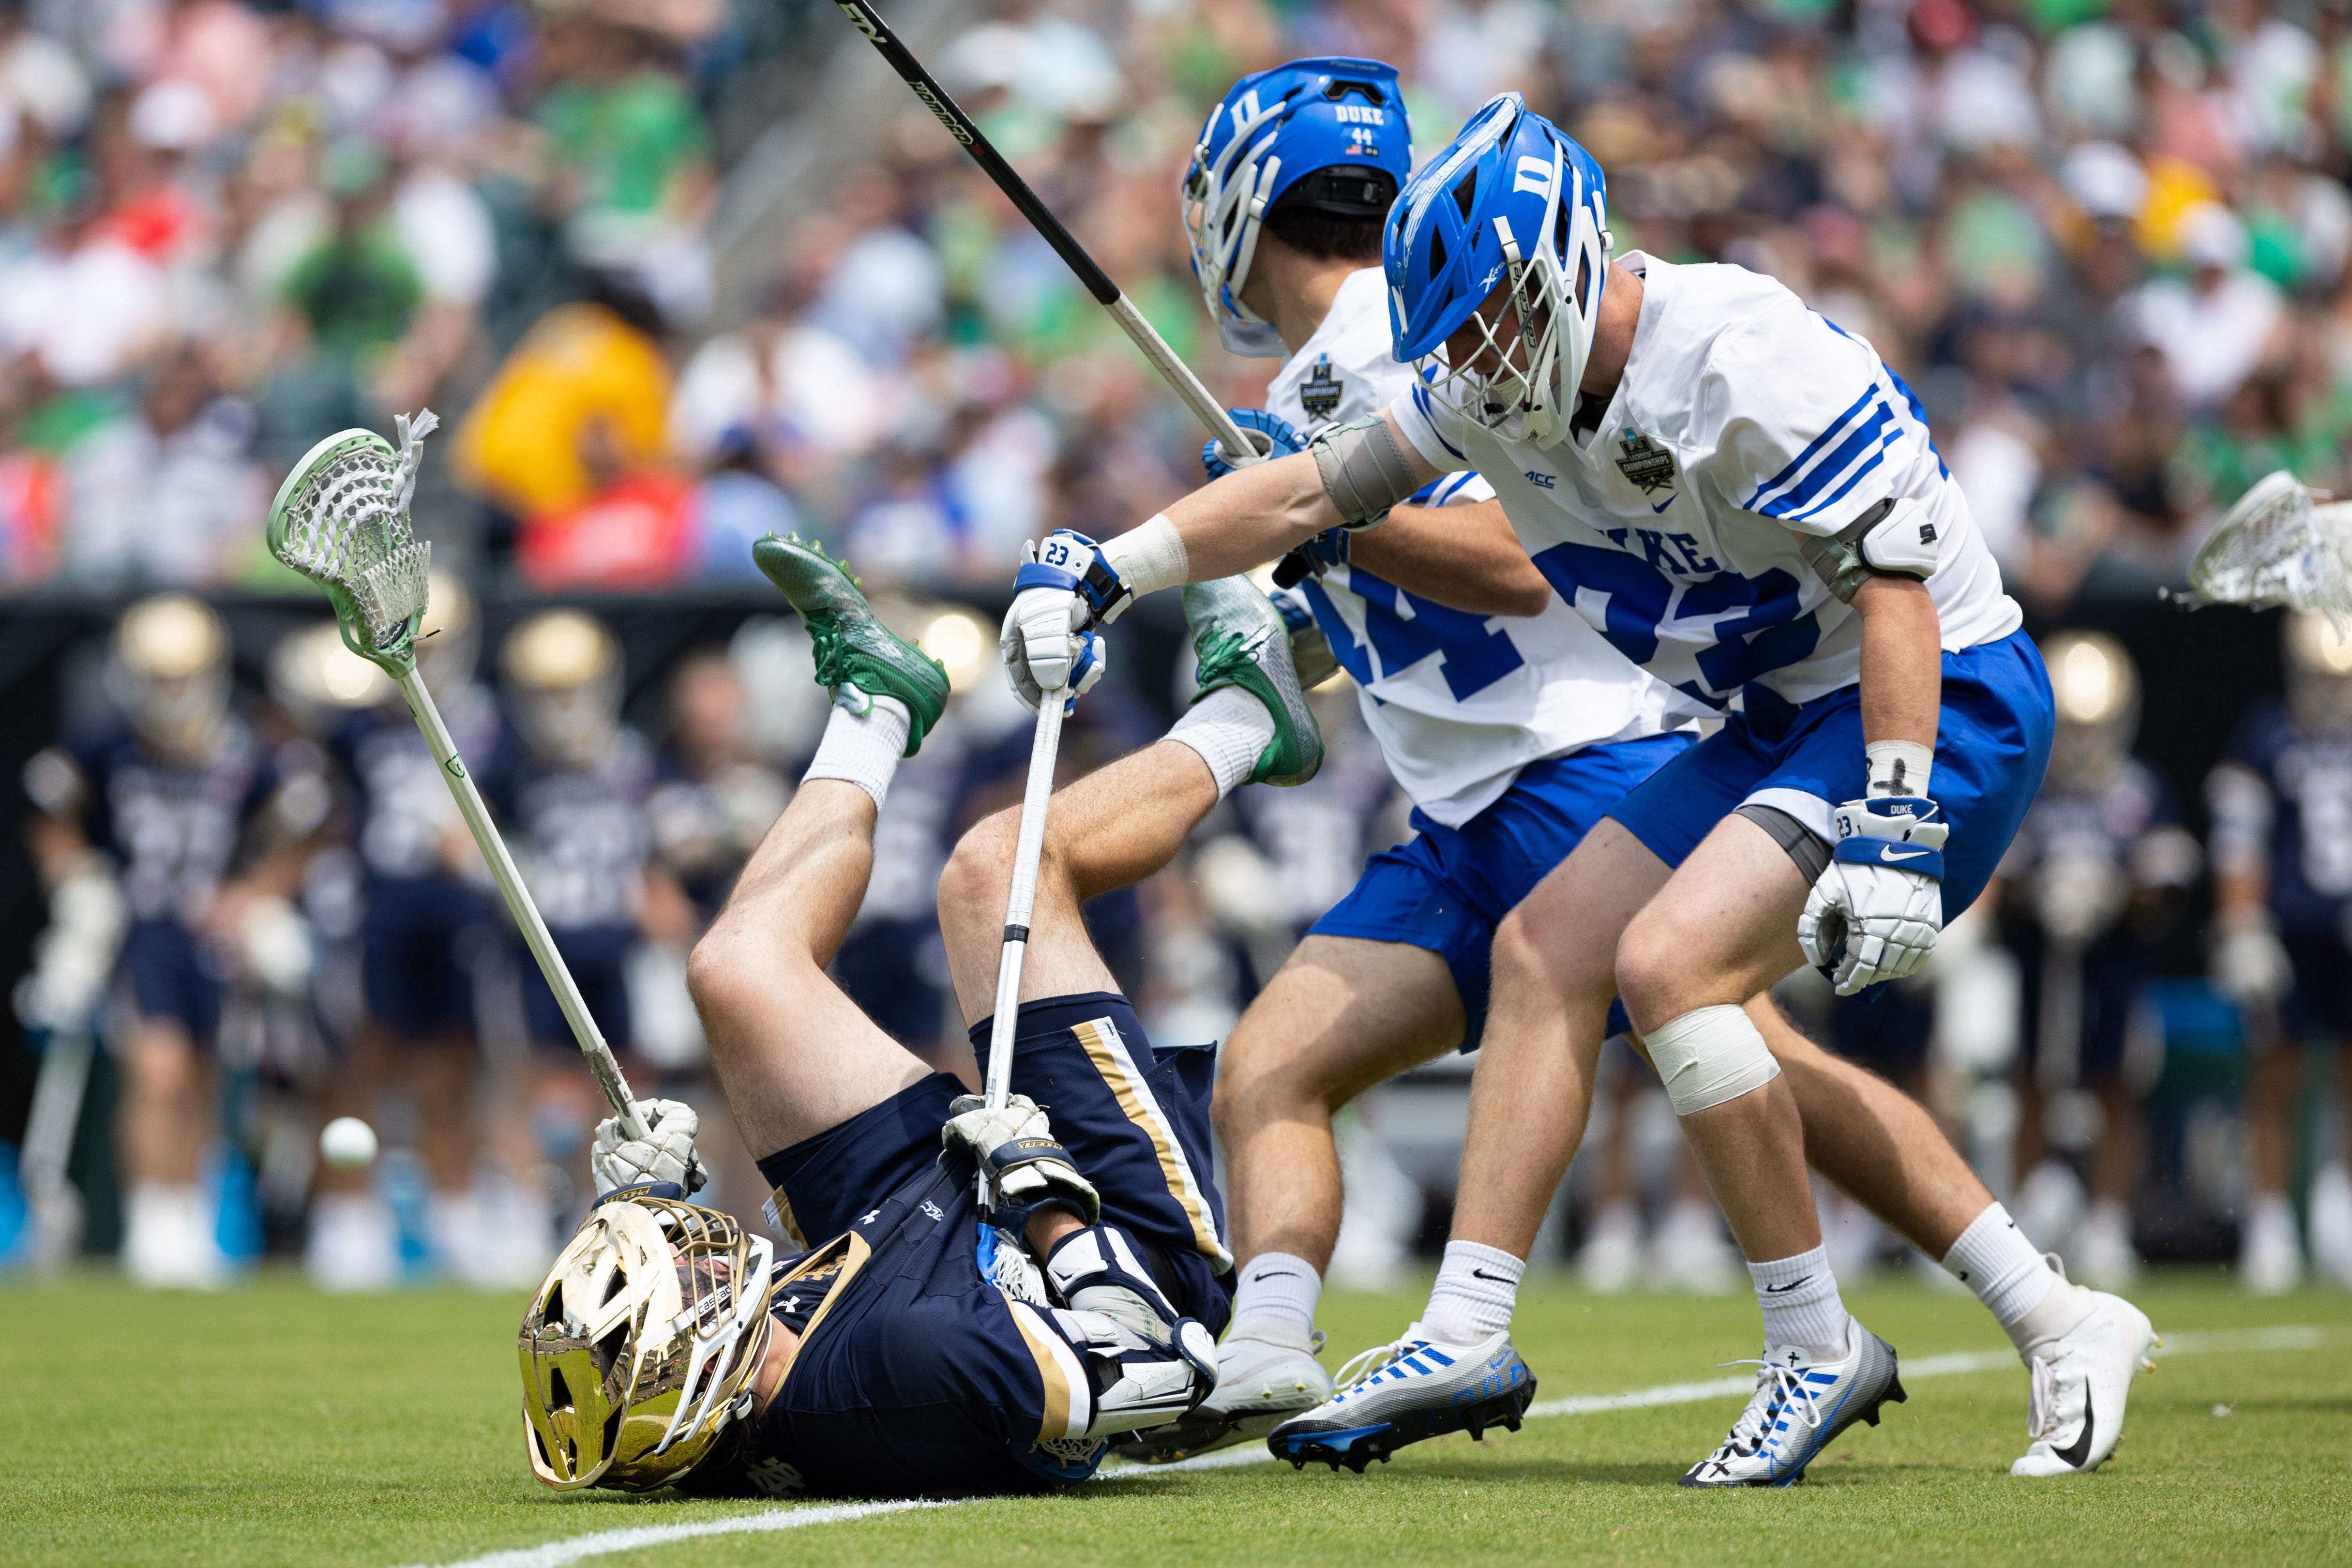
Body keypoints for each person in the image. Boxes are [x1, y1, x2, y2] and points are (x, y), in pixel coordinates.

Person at [1002, 92, 2154, 1484]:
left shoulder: (1740, 353)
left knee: (1671, 968)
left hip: (1931, 688)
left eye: (1491, 322)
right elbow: (1311, 495)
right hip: (1772, 711)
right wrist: (1107, 563)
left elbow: (1897, 579)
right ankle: (1477, 1325)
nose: (1474, 366)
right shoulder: (1489, 376)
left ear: (1559, 264)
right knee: (1549, 946)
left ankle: (1812, 1346)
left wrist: (1900, 815)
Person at [518, 534, 1326, 1496]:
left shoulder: (727, 1407)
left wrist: (649, 1197)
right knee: (995, 870)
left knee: (735, 968)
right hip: (1101, 1228)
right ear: (698, 1371)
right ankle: (1246, 718)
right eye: (683, 1290)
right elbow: (1157, 1366)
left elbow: (680, 1388)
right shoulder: (911, 1366)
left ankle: (878, 697)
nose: (691, 1270)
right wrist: (1043, 1191)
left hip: (899, 1228)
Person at [22, 594, 327, 1286]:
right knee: (157, 1072)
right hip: (143, 928)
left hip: (210, 933)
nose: (173, 696)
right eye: (159, 679)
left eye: (183, 678)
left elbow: (302, 827)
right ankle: (154, 1219)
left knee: (207, 1077)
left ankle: (188, 1214)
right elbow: (51, 812)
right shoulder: (105, 743)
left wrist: (253, 897)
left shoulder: (247, 748)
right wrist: (78, 880)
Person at [1998, 632, 2198, 1290]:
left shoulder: (2139, 787)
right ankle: (2022, 1222)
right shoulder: (2030, 782)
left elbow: (2168, 877)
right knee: (2032, 1079)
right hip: (2040, 962)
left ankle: (2110, 1221)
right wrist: (2039, 893)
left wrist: (2119, 893)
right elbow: (2001, 868)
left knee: (2117, 1087)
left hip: (2116, 964)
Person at [2208, 609, 2352, 1292]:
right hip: (2292, 926)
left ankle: (2341, 1210)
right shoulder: (2270, 731)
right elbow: (2240, 832)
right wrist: (2244, 923)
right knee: (2277, 1075)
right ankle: (2268, 1219)